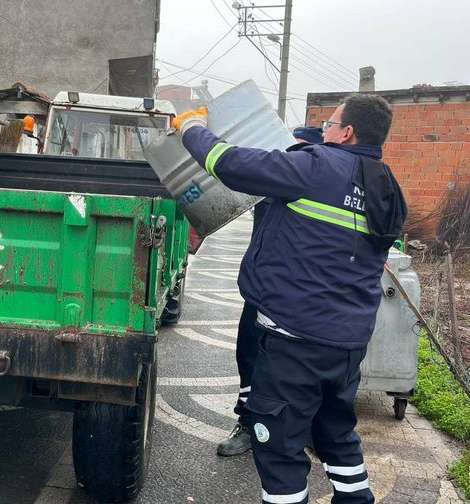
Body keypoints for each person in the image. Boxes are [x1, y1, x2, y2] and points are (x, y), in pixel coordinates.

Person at [173, 95, 407, 504]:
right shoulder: (388, 187)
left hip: (295, 339)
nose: (323, 132)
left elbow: (227, 163)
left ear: (347, 132)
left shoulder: (315, 167)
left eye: (329, 125)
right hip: (347, 344)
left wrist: (191, 125)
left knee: (278, 445)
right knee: (335, 432)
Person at [218, 124, 324, 458]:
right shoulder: (272, 176)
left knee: (304, 363)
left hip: (306, 291)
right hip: (263, 287)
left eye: (299, 148)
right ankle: (248, 422)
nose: (290, 155)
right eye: (287, 148)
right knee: (250, 352)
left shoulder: (319, 183)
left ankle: (307, 427)